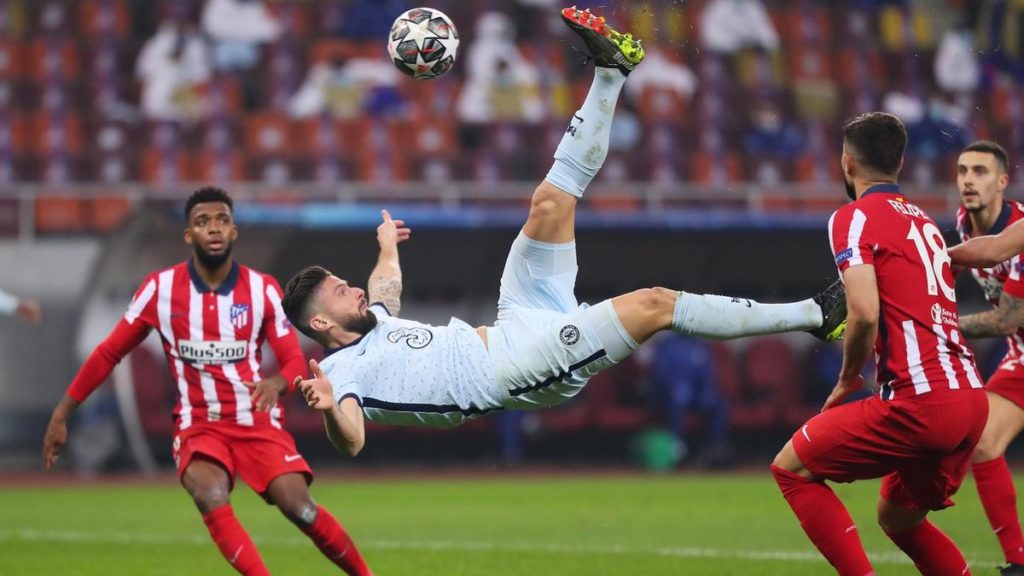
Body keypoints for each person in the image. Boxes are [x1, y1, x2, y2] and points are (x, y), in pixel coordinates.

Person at [282, 7, 846, 455]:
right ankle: (814, 316)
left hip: (513, 321)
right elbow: (352, 440)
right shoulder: (338, 372)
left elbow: (383, 289)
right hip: (518, 371)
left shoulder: (375, 321)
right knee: (655, 304)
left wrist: (386, 248)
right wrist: (329, 407)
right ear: (321, 323)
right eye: (339, 291)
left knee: (549, 203)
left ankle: (611, 72)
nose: (351, 288)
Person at [42, 188, 372, 576]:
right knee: (208, 492)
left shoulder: (262, 289)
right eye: (202, 222)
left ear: (233, 231)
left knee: (299, 506)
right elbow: (108, 353)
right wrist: (62, 413)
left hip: (256, 421)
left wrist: (277, 384)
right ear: (189, 235)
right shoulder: (159, 290)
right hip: (199, 424)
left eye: (221, 221)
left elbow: (292, 361)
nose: (213, 228)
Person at [771, 112, 989, 576]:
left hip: (921, 403)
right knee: (899, 518)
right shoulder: (925, 223)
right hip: (971, 399)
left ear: (846, 163)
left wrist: (847, 378)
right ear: (901, 163)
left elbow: (865, 312)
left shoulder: (852, 217)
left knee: (791, 468)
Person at [951, 140, 1024, 576]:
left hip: (1015, 338)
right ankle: (1018, 562)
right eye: (962, 171)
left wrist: (934, 322)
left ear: (1002, 182)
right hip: (1022, 355)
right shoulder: (965, 223)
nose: (968, 180)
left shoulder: (1020, 233)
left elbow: (1006, 319)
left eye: (980, 172)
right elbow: (955, 266)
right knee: (983, 442)